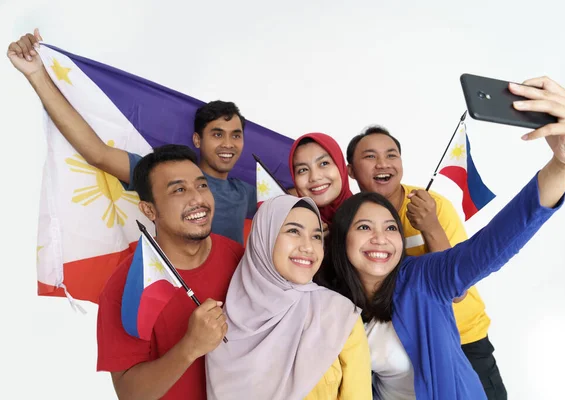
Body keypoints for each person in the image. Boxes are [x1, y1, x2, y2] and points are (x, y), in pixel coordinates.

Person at [329, 76, 565, 399]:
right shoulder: (335, 305)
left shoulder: (422, 277)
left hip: (467, 339)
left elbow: (487, 248)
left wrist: (564, 167)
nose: (380, 237)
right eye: (364, 227)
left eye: (391, 227)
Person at [7, 29, 256, 245]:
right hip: (181, 291)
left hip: (230, 298)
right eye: (217, 134)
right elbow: (97, 153)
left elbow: (290, 199)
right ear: (197, 140)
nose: (227, 144)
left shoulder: (245, 193)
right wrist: (37, 74)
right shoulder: (165, 174)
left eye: (236, 135)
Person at [346, 127, 505, 396]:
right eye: (370, 156)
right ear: (350, 170)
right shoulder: (350, 218)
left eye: (391, 155)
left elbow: (457, 289)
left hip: (461, 337)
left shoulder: (433, 206)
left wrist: (430, 225)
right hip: (396, 347)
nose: (383, 164)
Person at [95, 145, 244, 399]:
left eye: (202, 185)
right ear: (149, 210)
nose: (198, 199)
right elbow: (129, 394)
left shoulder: (240, 259)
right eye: (179, 190)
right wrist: (191, 346)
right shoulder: (124, 286)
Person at [206, 196, 372, 400]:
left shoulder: (339, 314)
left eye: (316, 236)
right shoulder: (223, 325)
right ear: (263, 237)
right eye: (294, 231)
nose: (308, 247)